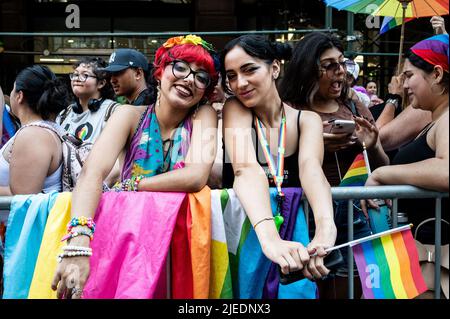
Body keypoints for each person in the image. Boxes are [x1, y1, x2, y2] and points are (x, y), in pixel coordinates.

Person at [52, 34, 219, 299]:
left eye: (201, 77)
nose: (189, 79)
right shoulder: (128, 115)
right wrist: (79, 243)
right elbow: (92, 173)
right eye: (181, 67)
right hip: (129, 242)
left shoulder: (205, 115)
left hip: (183, 244)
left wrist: (132, 185)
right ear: (160, 72)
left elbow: (196, 175)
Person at [279, 32, 389, 299]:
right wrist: (313, 146)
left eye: (342, 63)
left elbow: (383, 164)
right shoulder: (290, 109)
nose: (340, 72)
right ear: (308, 69)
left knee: (352, 287)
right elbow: (275, 161)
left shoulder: (353, 104)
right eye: (329, 66)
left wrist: (372, 144)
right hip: (309, 215)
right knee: (310, 287)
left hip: (356, 212)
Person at [220, 34, 337, 281]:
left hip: (294, 239)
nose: (240, 83)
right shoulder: (235, 108)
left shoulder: (307, 120)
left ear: (274, 68)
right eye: (231, 76)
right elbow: (245, 169)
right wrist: (270, 239)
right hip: (243, 237)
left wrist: (326, 230)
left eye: (249, 70)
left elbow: (311, 170)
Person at [364, 34, 449, 245]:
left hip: (436, 257)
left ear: (437, 74)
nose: (405, 86)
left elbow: (446, 171)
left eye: (409, 76)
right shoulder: (436, 120)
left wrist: (381, 174)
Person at [0, 65, 69, 196]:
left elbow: (23, 197)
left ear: (19, 96)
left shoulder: (33, 136)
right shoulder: (47, 130)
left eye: (13, 90)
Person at [57, 57, 119, 143]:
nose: (76, 79)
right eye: (75, 74)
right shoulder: (64, 114)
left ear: (101, 83)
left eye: (85, 75)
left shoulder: (114, 112)